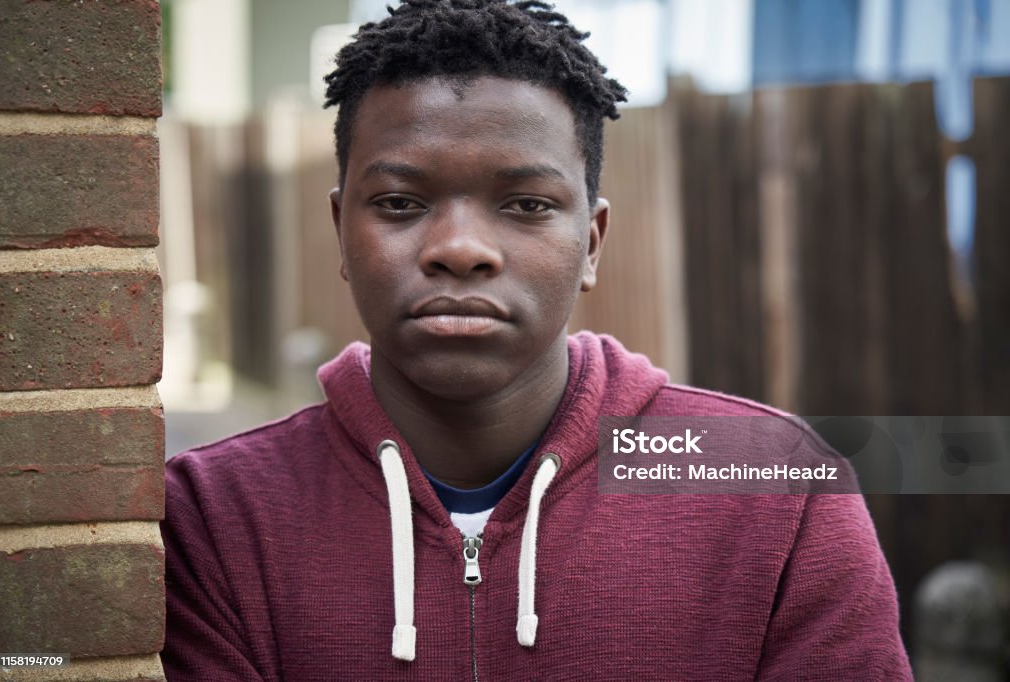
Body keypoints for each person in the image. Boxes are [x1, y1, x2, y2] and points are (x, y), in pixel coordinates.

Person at [160, 1, 913, 679]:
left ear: (591, 242)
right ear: (340, 231)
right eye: (399, 202)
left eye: (525, 204)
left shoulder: (775, 488)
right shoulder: (218, 515)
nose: (460, 248)